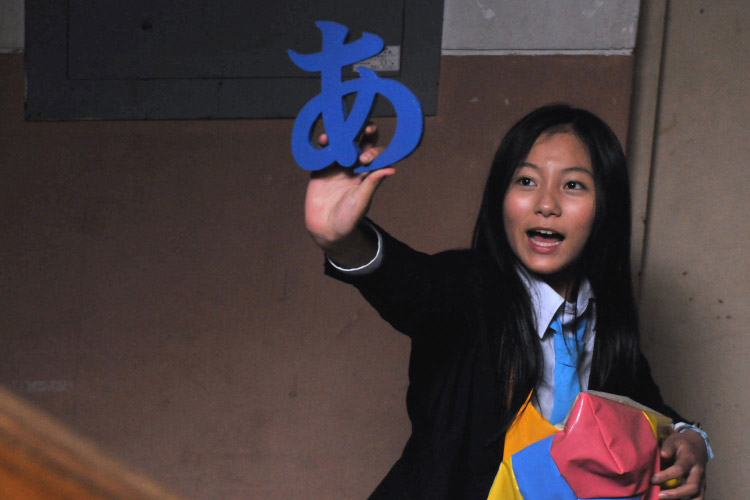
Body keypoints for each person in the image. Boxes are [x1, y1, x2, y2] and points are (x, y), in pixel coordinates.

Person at [304, 104, 711, 499]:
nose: (546, 204)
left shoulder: (605, 326)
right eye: (526, 181)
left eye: (572, 185)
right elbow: (412, 285)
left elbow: (648, 411)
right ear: (501, 196)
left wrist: (690, 438)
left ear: (606, 206)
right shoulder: (468, 291)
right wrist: (342, 240)